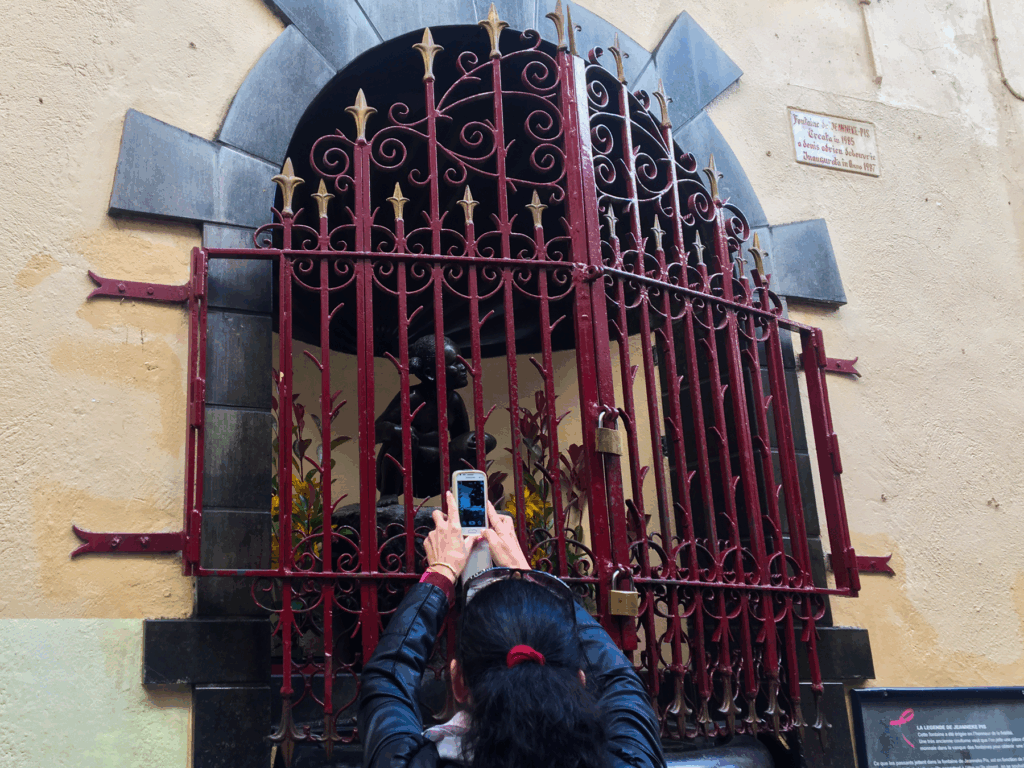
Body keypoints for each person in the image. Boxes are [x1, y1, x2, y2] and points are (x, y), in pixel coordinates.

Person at [358, 491, 665, 768]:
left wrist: (441, 573)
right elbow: (622, 682)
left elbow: (386, 681)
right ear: (580, 680)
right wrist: (529, 574)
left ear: (458, 681)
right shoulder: (630, 761)